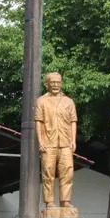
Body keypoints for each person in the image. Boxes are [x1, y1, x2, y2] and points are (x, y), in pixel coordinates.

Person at [35, 72, 77, 209]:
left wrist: (73, 140)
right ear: (47, 84)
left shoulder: (68, 101)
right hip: (48, 143)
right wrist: (40, 141)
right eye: (52, 82)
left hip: (65, 143)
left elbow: (73, 122)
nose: (55, 85)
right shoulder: (41, 101)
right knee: (48, 172)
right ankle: (49, 202)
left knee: (68, 172)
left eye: (58, 82)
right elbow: (39, 122)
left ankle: (65, 201)